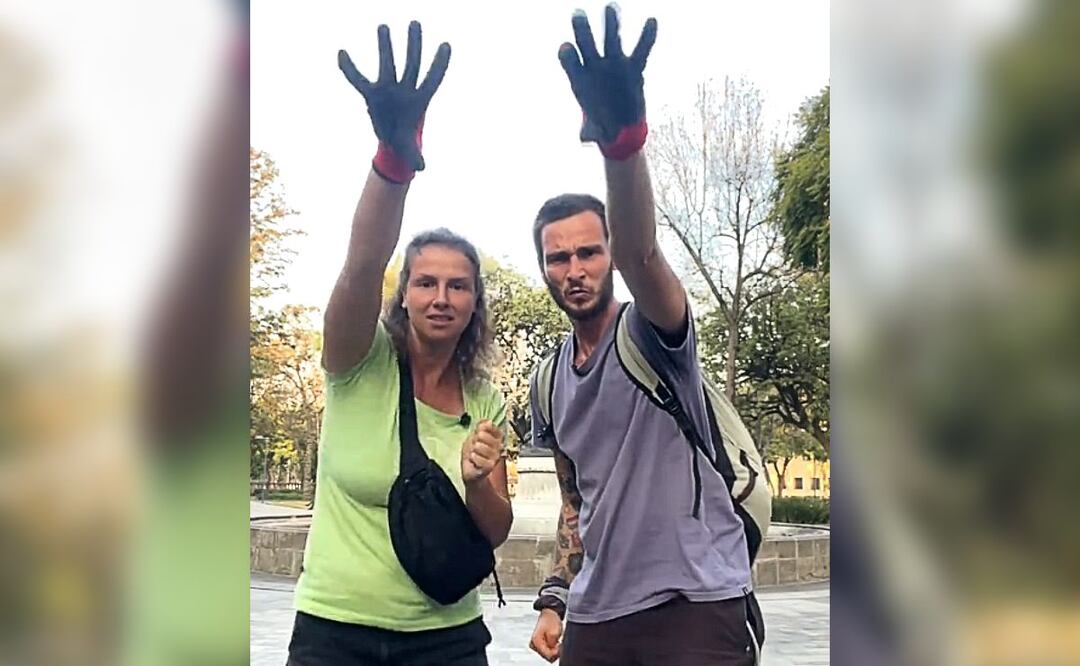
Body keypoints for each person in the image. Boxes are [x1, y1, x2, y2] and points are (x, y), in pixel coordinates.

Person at [526, 6, 765, 665]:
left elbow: (643, 253)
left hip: (697, 604)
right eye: (558, 257)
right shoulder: (548, 381)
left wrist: (622, 145)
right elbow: (576, 502)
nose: (574, 269)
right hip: (601, 613)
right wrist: (555, 595)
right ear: (544, 269)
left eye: (588, 252)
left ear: (608, 255)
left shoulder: (652, 331)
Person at [286, 21, 513, 666]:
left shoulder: (485, 400)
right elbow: (360, 264)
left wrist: (476, 483)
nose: (442, 297)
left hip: (446, 639)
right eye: (427, 282)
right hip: (336, 631)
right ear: (405, 293)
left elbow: (492, 530)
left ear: (474, 304)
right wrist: (393, 161)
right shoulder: (358, 363)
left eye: (459, 286)